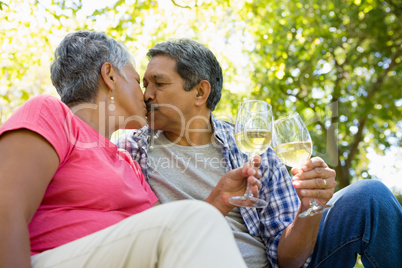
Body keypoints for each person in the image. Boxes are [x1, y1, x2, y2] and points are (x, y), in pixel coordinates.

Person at [116, 38, 402, 268]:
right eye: (145, 84)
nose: (147, 94)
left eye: (159, 83)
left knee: (371, 195)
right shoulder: (130, 149)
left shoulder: (252, 148)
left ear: (200, 93)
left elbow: (289, 259)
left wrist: (309, 207)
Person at [0, 30, 265, 268]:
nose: (146, 95)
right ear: (110, 75)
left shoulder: (126, 160)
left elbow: (165, 232)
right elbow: (6, 209)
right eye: (139, 82)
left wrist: (217, 200)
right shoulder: (51, 115)